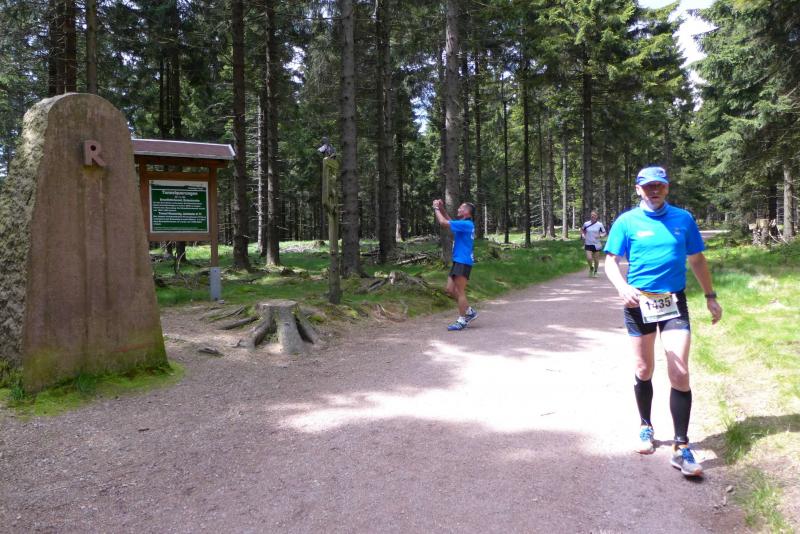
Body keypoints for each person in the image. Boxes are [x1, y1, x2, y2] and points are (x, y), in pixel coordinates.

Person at [603, 166, 722, 478]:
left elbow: (697, 259)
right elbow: (611, 261)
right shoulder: (626, 221)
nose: (654, 191)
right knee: (644, 369)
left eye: (659, 186)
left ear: (667, 188)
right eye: (648, 186)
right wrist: (622, 287)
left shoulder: (683, 219)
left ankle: (681, 447)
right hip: (638, 303)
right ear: (638, 189)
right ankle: (646, 425)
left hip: (673, 303)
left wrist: (710, 296)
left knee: (679, 370)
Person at [433, 199, 478, 331]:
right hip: (458, 261)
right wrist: (442, 208)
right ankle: (469, 311)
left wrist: (436, 208)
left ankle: (462, 320)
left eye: (460, 208)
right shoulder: (464, 224)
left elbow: (443, 223)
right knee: (450, 290)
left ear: (467, 212)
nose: (458, 209)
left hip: (463, 261)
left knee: (460, 291)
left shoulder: (467, 224)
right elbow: (449, 220)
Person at [581, 210, 606, 277]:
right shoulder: (586, 224)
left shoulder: (599, 224)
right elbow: (582, 230)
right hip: (588, 243)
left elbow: (604, 232)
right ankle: (591, 268)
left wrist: (600, 236)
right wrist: (583, 235)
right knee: (589, 258)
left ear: (597, 216)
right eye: (592, 215)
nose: (593, 216)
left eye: (594, 215)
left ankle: (595, 272)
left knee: (596, 260)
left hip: (596, 244)